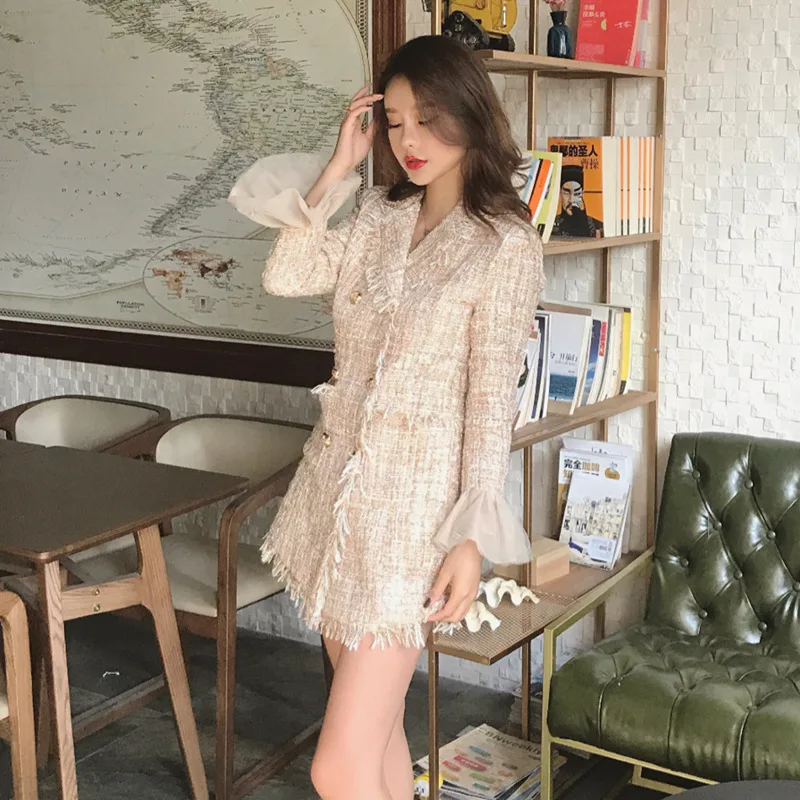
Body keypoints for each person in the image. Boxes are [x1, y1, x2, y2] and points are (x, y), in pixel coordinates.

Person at [228, 34, 545, 800]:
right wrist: (338, 167)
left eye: (428, 119)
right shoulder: (378, 214)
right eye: (395, 122)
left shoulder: (504, 244)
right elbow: (287, 273)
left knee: (336, 767)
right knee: (379, 737)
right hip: (335, 504)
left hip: (414, 523)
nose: (409, 140)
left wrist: (471, 536)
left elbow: (489, 398)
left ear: (469, 113)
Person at [551, 164, 604, 238]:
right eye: (566, 193)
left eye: (577, 193)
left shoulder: (597, 226)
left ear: (582, 194)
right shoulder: (551, 225)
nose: (571, 200)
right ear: (560, 194)